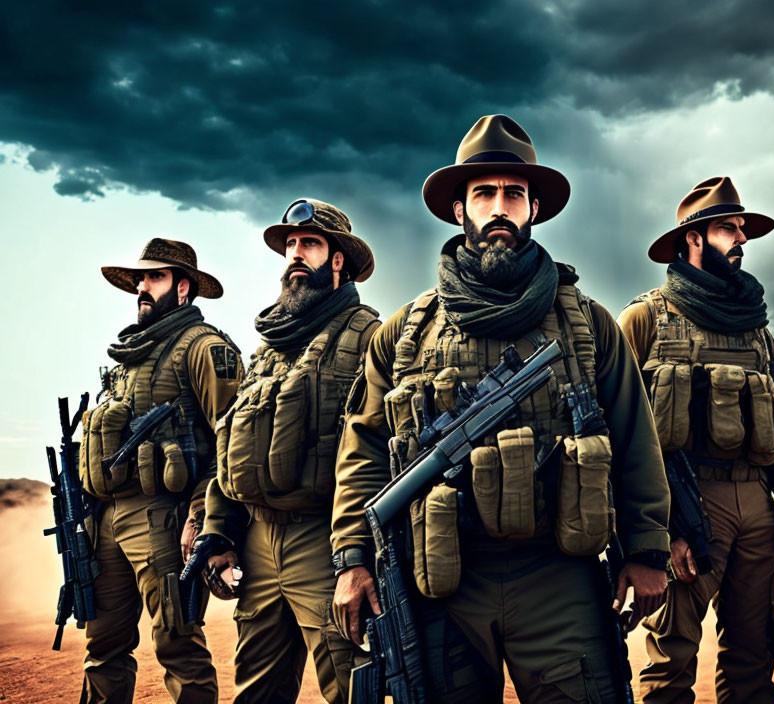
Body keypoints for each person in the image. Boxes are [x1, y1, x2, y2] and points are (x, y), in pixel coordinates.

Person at [331, 114, 670, 703]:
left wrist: (646, 550)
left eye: (513, 194)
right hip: (442, 577)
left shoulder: (588, 325)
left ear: (533, 208)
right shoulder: (404, 334)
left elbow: (636, 439)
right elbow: (362, 450)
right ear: (459, 209)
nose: (498, 208)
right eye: (483, 193)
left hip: (558, 573)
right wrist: (353, 557)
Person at [617, 176, 774, 704]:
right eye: (728, 228)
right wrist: (655, 532)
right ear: (693, 238)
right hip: (686, 509)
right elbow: (618, 432)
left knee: (754, 658)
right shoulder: (645, 320)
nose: (741, 239)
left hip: (756, 504)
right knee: (671, 662)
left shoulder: (755, 328)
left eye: (742, 229)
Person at [187, 199, 381, 703]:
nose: (295, 255)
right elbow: (232, 448)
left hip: (325, 542)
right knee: (256, 690)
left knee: (350, 683)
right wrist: (218, 531)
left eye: (310, 244)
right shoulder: (267, 350)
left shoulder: (370, 338)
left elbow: (378, 453)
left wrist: (357, 555)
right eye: (291, 245)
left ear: (338, 260)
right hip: (257, 539)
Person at [80, 238, 242, 703]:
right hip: (107, 520)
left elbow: (232, 441)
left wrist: (201, 518)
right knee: (102, 648)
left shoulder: (203, 348)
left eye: (155, 278)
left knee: (179, 649)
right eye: (140, 280)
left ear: (183, 287)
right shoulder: (130, 357)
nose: (142, 288)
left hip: (165, 521)